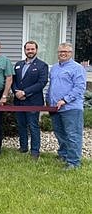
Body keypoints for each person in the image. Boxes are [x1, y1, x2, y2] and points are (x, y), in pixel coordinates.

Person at [46, 42, 86, 170]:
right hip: (55, 108)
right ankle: (63, 154)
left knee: (73, 135)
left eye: (66, 52)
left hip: (71, 108)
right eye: (60, 52)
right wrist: (48, 101)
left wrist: (65, 100)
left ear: (71, 53)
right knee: (60, 133)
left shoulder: (77, 68)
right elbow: (51, 86)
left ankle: (74, 162)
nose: (63, 54)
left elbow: (80, 88)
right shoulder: (55, 68)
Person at [12, 41, 48, 159]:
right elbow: (13, 81)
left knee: (33, 126)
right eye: (28, 49)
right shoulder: (18, 64)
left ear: (36, 50)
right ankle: (23, 147)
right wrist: (16, 91)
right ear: (24, 50)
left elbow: (42, 83)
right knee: (21, 125)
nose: (30, 51)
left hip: (33, 101)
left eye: (32, 49)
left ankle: (35, 151)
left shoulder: (42, 65)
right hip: (18, 101)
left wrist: (25, 92)